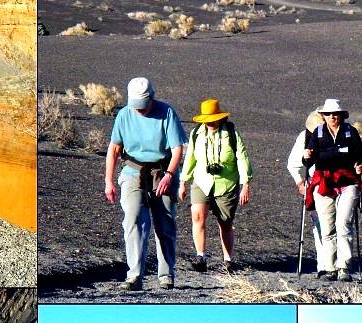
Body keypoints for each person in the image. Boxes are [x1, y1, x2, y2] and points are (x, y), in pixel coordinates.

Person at [105, 77, 187, 291]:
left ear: (152, 97)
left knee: (165, 223)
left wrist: (169, 174)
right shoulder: (124, 115)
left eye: (142, 105)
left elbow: (178, 148)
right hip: (133, 171)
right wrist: (109, 181)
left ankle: (166, 274)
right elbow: (114, 149)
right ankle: (134, 276)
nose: (139, 110)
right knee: (133, 220)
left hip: (163, 171)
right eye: (136, 106)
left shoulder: (166, 112)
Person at [302, 99, 362, 282]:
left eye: (336, 114)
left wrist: (361, 166)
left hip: (347, 183)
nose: (333, 117)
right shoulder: (317, 133)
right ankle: (329, 268)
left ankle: (344, 268)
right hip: (324, 184)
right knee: (327, 229)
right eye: (329, 114)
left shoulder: (350, 132)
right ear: (323, 116)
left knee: (344, 224)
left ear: (341, 115)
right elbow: (308, 160)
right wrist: (306, 156)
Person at [179, 99, 253, 273]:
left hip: (226, 184)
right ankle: (200, 257)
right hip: (201, 181)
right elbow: (190, 158)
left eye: (212, 118)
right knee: (197, 217)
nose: (209, 122)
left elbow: (242, 158)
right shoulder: (197, 134)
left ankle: (228, 260)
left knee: (225, 223)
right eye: (206, 119)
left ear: (220, 118)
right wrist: (183, 182)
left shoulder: (232, 134)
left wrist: (245, 184)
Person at [288, 110, 326, 278]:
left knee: (338, 224)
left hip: (339, 185)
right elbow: (293, 164)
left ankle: (336, 264)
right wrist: (299, 182)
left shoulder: (341, 135)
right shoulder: (305, 136)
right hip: (315, 185)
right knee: (319, 224)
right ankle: (324, 265)